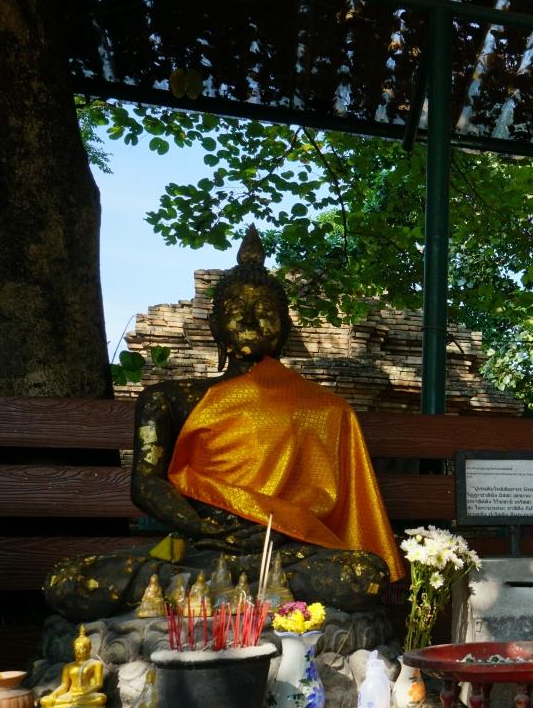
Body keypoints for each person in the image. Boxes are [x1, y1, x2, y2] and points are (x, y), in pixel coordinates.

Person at [44, 229, 402, 620]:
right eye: (235, 308)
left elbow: (331, 511)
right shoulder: (169, 398)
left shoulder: (325, 409)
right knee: (69, 582)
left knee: (364, 576)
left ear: (284, 328)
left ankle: (216, 596)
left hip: (287, 552)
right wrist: (204, 528)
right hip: (198, 550)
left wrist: (279, 529)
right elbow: (146, 484)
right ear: (215, 326)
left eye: (263, 309)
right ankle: (248, 596)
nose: (249, 319)